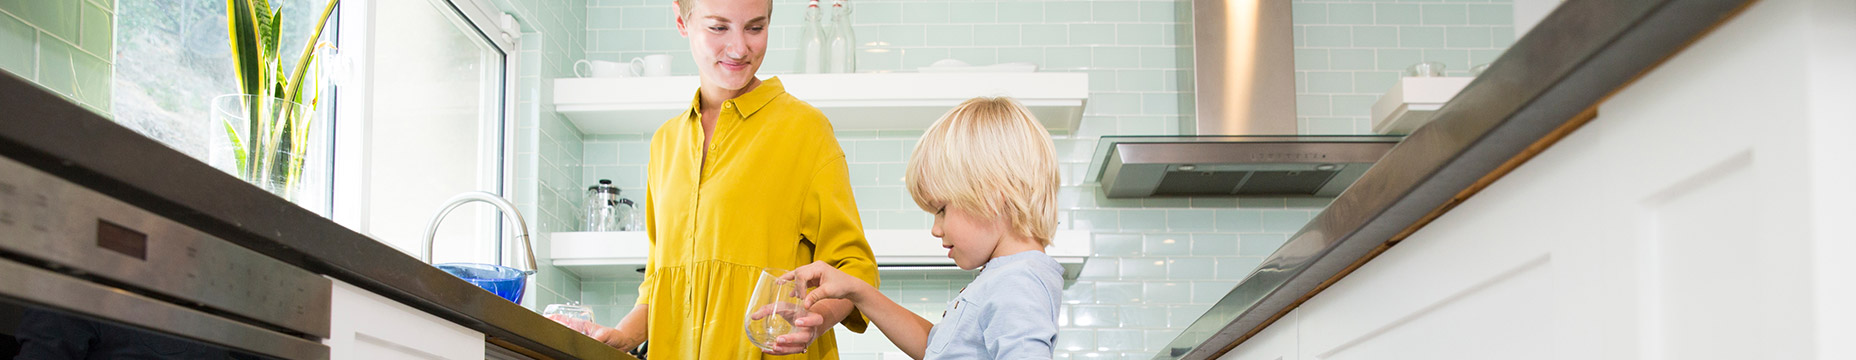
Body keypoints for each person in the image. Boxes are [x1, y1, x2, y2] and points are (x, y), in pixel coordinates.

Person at [554, 0, 879, 358]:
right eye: (718, 28)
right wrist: (621, 336)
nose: (739, 48)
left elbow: (855, 268)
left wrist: (815, 319)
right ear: (682, 20)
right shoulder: (665, 142)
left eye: (755, 28)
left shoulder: (806, 130)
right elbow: (659, 283)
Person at [782, 97, 1063, 359]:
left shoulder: (1017, 282)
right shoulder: (1004, 276)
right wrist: (856, 290)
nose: (936, 229)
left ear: (992, 196)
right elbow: (933, 346)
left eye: (941, 210)